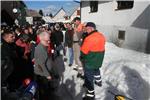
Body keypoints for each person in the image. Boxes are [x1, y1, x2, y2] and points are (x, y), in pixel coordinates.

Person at [80, 22, 105, 100]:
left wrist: (82, 57)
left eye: (87, 29)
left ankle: (91, 94)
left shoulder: (89, 38)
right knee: (96, 70)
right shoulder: (102, 36)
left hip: (90, 61)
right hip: (99, 59)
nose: (86, 30)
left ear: (91, 28)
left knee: (89, 77)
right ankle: (99, 81)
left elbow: (83, 51)